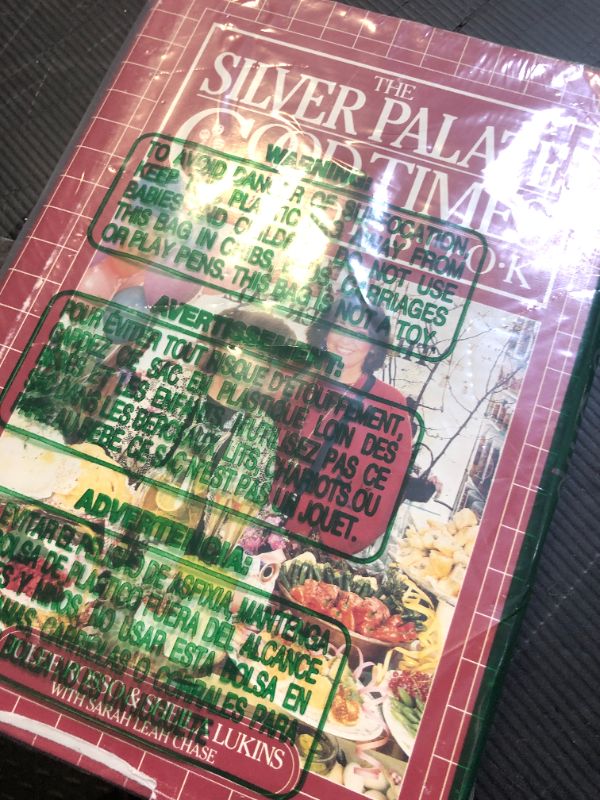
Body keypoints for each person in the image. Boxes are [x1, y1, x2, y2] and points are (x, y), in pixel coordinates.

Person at [271, 296, 421, 557]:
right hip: (250, 517)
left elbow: (384, 493)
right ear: (326, 330)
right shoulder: (294, 377)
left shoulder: (389, 404)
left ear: (373, 347)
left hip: (310, 549)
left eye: (360, 333)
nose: (346, 340)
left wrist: (323, 549)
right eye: (340, 326)